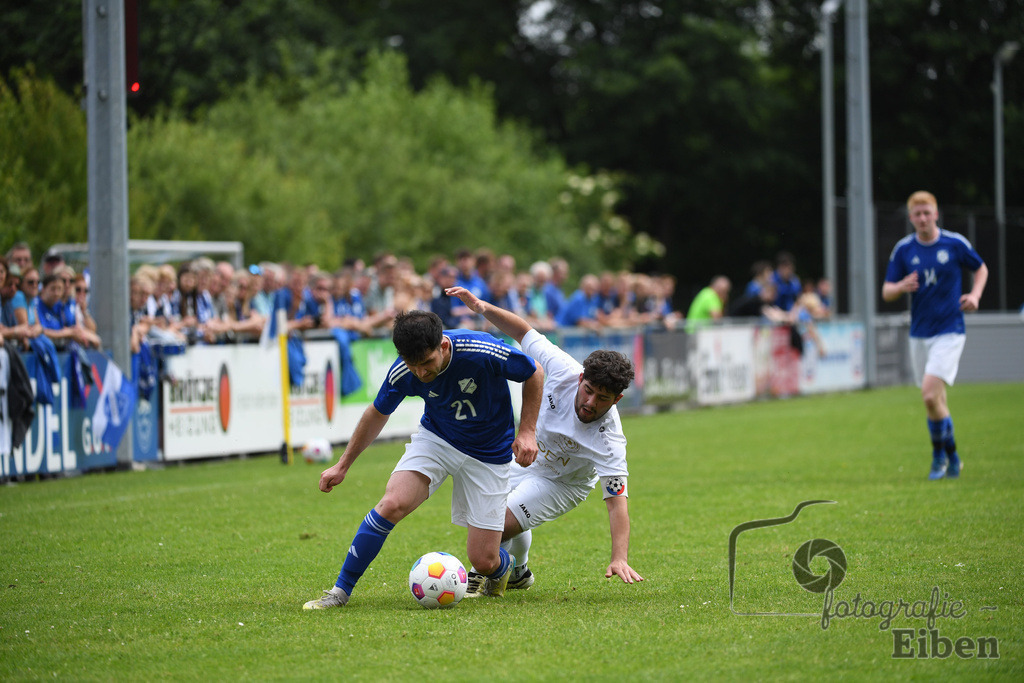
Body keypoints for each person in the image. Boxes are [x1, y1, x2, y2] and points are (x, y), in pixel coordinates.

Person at [303, 310, 544, 609]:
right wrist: (343, 465)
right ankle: (340, 592)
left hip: (489, 453)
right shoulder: (404, 371)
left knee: (483, 560)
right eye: (412, 365)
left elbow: (533, 372)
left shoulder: (481, 350)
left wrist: (528, 431)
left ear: (443, 346)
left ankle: (505, 566)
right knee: (391, 503)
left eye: (427, 363)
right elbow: (377, 413)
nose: (420, 373)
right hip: (437, 440)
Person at [446, 286, 644, 592]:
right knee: (482, 515)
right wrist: (483, 308)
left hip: (563, 483)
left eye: (602, 399)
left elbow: (617, 503)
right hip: (527, 454)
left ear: (616, 400)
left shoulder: (610, 440)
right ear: (581, 378)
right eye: (588, 390)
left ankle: (483, 570)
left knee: (494, 524)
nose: (590, 402)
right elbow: (524, 331)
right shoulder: (563, 367)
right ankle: (519, 571)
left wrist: (619, 557)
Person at [882, 191, 988, 481]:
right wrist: (901, 286)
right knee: (935, 401)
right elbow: (887, 291)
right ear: (911, 218)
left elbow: (981, 268)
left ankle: (938, 458)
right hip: (919, 333)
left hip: (950, 330)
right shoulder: (904, 249)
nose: (922, 218)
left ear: (936, 214)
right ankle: (953, 457)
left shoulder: (954, 244)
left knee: (929, 394)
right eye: (917, 214)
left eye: (927, 212)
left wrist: (975, 295)